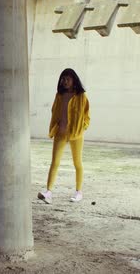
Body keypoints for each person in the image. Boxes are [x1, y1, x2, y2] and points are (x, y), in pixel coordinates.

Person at [38, 68, 90, 204]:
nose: (65, 81)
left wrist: (82, 127)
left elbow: (87, 116)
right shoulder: (59, 95)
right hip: (60, 133)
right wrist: (57, 124)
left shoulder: (81, 96)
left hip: (76, 134)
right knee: (54, 162)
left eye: (67, 79)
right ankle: (48, 192)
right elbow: (54, 110)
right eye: (63, 79)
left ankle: (79, 192)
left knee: (77, 163)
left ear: (74, 80)